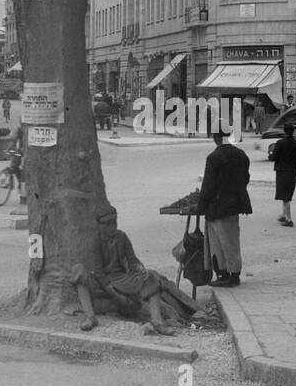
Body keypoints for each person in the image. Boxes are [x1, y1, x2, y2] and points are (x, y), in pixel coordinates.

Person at [70, 206, 207, 335]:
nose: (112, 226)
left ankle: (157, 321)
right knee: (78, 271)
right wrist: (113, 293)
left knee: (151, 277)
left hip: (121, 278)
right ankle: (90, 317)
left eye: (114, 222)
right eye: (108, 224)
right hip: (102, 280)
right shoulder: (95, 241)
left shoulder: (121, 237)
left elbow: (132, 260)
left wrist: (139, 268)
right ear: (99, 225)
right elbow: (98, 272)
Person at [196, 128, 253, 287]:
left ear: (215, 137)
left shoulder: (214, 157)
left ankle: (226, 275)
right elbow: (246, 178)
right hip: (234, 205)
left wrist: (200, 207)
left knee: (218, 243)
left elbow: (208, 185)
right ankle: (231, 274)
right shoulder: (241, 154)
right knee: (231, 241)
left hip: (216, 207)